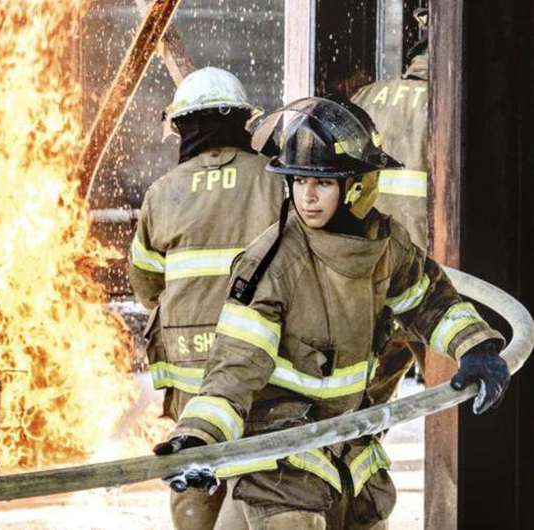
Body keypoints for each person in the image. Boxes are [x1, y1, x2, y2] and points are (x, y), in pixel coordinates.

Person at [153, 97, 510, 529]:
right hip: (281, 451)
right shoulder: (272, 265)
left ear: (357, 186)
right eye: (299, 180)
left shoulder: (385, 245)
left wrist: (475, 348)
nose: (307, 196)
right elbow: (235, 366)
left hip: (347, 443)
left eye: (322, 182)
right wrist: (200, 438)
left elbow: (430, 301)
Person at [129, 66, 284, 529]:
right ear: (242, 120)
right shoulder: (276, 182)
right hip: (261, 369)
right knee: (263, 479)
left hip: (190, 376)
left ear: (181, 125)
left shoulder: (162, 193)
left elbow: (146, 287)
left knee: (194, 481)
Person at [351, 7, 430, 406]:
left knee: (358, 411)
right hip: (429, 285)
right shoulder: (455, 105)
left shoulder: (366, 98)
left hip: (370, 281)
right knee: (462, 407)